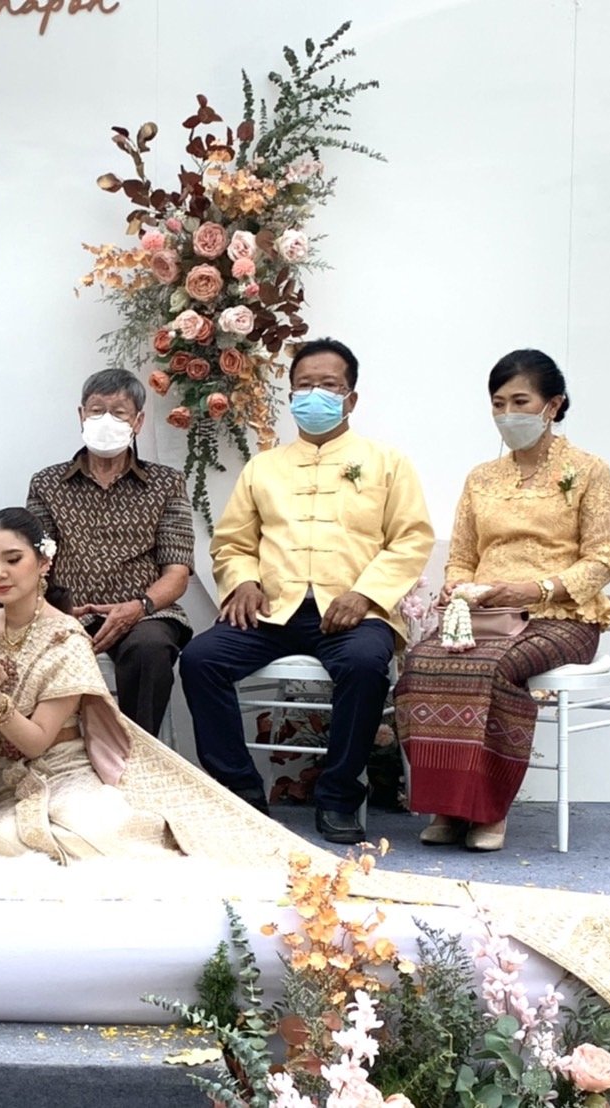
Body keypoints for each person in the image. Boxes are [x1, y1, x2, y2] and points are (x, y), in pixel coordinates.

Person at [180, 338, 433, 845]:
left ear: (351, 398)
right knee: (200, 659)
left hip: (352, 613)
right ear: (291, 395)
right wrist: (244, 581)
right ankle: (240, 791)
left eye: (329, 385)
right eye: (304, 386)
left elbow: (411, 539)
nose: (315, 394)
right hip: (273, 613)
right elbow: (231, 543)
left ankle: (338, 796)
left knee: (364, 665)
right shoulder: (264, 467)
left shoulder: (387, 462)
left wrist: (365, 595)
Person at [397, 350, 610, 852]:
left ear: (553, 405)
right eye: (498, 404)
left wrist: (535, 589)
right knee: (422, 661)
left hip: (562, 617)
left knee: (495, 667)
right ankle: (449, 804)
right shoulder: (481, 478)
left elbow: (601, 562)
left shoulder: (590, 471)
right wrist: (457, 587)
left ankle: (487, 809)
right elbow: (462, 556)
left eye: (521, 402)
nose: (507, 414)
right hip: (488, 614)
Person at [0, 507, 168, 862]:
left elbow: (37, 742)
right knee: (4, 844)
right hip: (7, 783)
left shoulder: (66, 637)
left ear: (44, 562)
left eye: (13, 559)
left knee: (98, 840)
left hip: (63, 772)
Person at [26, 367, 194, 734]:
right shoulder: (47, 484)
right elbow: (35, 562)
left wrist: (138, 607)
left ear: (138, 422)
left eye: (118, 413)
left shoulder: (166, 484)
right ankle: (56, 753)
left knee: (150, 650)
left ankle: (136, 750)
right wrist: (57, 612)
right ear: (81, 415)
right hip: (67, 612)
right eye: (96, 410)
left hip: (145, 614)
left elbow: (177, 572)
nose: (106, 420)